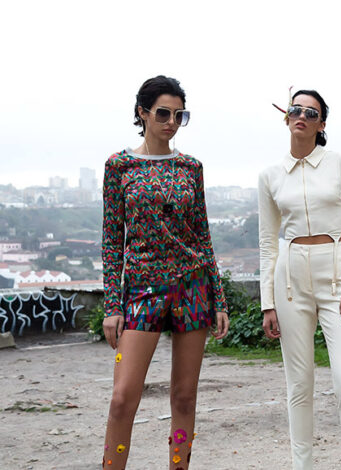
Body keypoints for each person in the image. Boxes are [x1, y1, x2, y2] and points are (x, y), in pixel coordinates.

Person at [100, 75, 229, 470]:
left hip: (192, 288)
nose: (171, 122)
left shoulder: (191, 167)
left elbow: (202, 235)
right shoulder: (119, 166)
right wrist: (112, 305)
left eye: (179, 115)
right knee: (122, 398)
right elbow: (112, 240)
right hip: (142, 290)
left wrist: (219, 300)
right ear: (142, 113)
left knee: (184, 398)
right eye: (163, 113)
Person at [258, 89, 341, 469]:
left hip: (336, 276)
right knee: (299, 384)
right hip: (289, 282)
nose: (302, 116)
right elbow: (267, 242)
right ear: (286, 117)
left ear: (322, 124)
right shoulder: (270, 175)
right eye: (296, 109)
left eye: (311, 112)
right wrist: (267, 302)